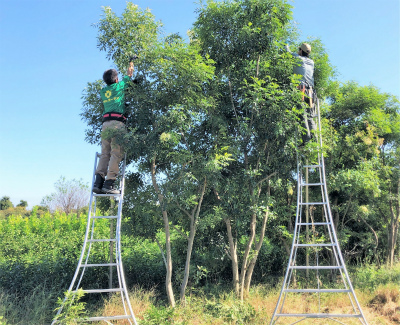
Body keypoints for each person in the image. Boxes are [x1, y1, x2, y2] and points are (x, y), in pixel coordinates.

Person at [92, 62, 134, 194]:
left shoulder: (103, 91)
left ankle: (98, 183)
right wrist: (131, 62)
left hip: (105, 124)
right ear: (116, 80)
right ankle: (109, 184)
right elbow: (129, 74)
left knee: (105, 153)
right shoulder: (120, 86)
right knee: (116, 153)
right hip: (117, 123)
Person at [286, 43, 317, 142]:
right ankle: (315, 138)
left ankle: (306, 139)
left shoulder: (297, 58)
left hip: (301, 90)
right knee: (310, 115)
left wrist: (285, 43)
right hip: (311, 92)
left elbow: (286, 51)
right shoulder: (311, 62)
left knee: (302, 114)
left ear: (300, 50)